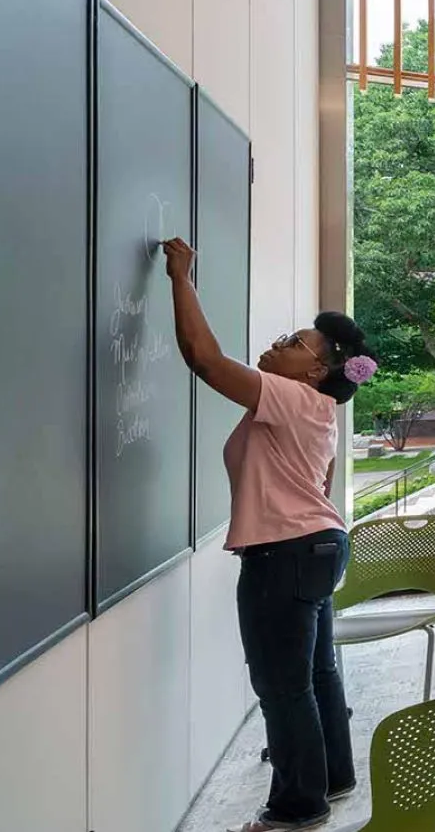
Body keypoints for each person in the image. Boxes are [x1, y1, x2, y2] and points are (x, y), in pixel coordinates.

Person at [161, 238, 369, 832]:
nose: (280, 344)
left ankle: (296, 808)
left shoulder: (291, 397)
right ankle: (332, 778)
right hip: (317, 545)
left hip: (286, 554)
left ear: (316, 370)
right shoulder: (314, 410)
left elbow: (205, 360)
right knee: (315, 673)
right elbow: (319, 483)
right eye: (287, 335)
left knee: (281, 687)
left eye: (295, 343)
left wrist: (181, 278)